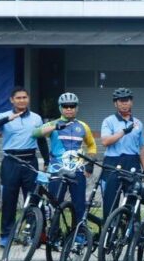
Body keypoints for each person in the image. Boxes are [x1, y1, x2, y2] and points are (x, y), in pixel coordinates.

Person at [0, 86, 48, 247]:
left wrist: (47, 160)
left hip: (30, 160)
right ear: (12, 100)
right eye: (18, 98)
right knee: (9, 199)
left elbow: (41, 140)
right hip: (10, 161)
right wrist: (8, 119)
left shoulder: (36, 118)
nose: (22, 100)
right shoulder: (4, 115)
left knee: (32, 198)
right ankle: (6, 235)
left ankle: (33, 233)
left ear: (28, 99)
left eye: (24, 97)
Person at [33, 92, 97, 224]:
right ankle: (54, 234)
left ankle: (78, 235)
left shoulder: (83, 126)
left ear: (77, 108)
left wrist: (90, 163)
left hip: (77, 170)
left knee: (79, 205)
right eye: (65, 106)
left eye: (72, 106)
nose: (69, 109)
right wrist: (54, 127)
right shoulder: (53, 124)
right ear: (60, 108)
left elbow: (91, 145)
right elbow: (35, 133)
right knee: (55, 204)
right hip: (57, 170)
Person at [99, 87, 144, 220]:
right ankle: (108, 235)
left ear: (131, 102)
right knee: (110, 202)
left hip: (132, 162)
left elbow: (142, 147)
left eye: (127, 101)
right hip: (113, 162)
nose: (124, 103)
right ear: (115, 103)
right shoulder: (108, 121)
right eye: (121, 101)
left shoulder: (138, 123)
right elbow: (105, 141)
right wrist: (123, 132)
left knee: (133, 202)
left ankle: (132, 235)